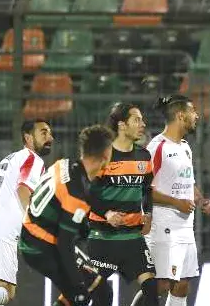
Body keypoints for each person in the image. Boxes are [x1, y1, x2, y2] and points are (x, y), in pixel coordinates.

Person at [19, 125, 116, 306]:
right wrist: (78, 284)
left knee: (88, 291)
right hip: (41, 246)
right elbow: (65, 244)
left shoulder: (64, 164)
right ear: (105, 156)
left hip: (33, 234)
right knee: (92, 292)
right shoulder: (76, 194)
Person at [0, 120, 53, 305]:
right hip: (0, 229)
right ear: (28, 137)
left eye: (50, 133)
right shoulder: (33, 160)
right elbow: (23, 191)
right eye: (44, 133)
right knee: (6, 292)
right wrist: (35, 227)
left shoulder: (10, 158)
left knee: (0, 291)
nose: (50, 138)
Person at [84, 103, 159, 306]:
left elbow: (147, 189)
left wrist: (149, 214)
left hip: (133, 238)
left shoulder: (144, 156)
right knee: (99, 296)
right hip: (102, 238)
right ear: (122, 125)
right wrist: (107, 213)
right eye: (137, 120)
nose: (143, 124)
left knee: (152, 289)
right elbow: (88, 193)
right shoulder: (101, 156)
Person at [146, 95, 210, 306]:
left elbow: (188, 183)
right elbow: (144, 190)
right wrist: (176, 203)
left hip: (185, 226)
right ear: (180, 115)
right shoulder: (156, 147)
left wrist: (201, 200)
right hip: (163, 224)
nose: (197, 116)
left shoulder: (185, 147)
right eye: (193, 111)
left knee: (183, 284)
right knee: (162, 284)